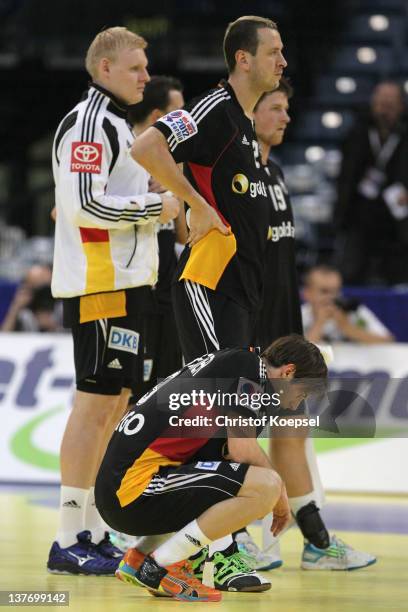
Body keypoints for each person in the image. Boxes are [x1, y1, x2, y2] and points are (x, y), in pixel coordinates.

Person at [47, 27, 180, 576]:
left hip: (127, 283)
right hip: (100, 283)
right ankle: (66, 535)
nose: (146, 77)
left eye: (146, 68)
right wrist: (157, 207)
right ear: (104, 69)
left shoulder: (117, 125)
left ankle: (94, 529)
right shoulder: (88, 123)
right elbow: (81, 204)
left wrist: (153, 203)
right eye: (135, 68)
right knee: (94, 404)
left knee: (116, 406)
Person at [233, 80, 377, 572]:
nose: (286, 117)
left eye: (287, 108)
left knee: (292, 432)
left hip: (284, 329)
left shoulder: (275, 171)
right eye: (275, 108)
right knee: (237, 436)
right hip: (247, 328)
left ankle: (317, 542)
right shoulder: (239, 173)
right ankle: (232, 539)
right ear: (249, 115)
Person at [95, 335, 328, 601]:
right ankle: (162, 565)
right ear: (288, 372)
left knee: (232, 478)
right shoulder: (250, 369)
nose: (297, 404)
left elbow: (227, 454)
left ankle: (139, 557)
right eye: (303, 393)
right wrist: (281, 496)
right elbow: (242, 450)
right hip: (132, 492)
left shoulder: (236, 364)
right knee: (266, 485)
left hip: (125, 492)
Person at [132, 15, 287, 362]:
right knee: (214, 405)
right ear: (243, 59)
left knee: (229, 410)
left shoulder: (244, 124)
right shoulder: (215, 108)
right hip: (210, 284)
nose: (283, 62)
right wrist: (196, 204)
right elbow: (146, 147)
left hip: (242, 292)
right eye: (273, 52)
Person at [128, 76, 187, 395]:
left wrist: (176, 191)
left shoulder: (171, 163)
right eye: (176, 112)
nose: (184, 119)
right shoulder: (122, 157)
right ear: (156, 117)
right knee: (126, 395)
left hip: (168, 294)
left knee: (164, 395)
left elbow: (183, 238)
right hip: (134, 292)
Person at [335, 80, 408, 285]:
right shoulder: (356, 134)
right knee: (352, 278)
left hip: (399, 226)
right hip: (360, 221)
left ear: (401, 106)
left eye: (391, 103)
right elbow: (344, 178)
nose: (385, 107)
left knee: (399, 284)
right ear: (373, 103)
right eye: (381, 101)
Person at [302, 265, 394, 344]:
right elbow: (297, 357)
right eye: (324, 291)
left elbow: (388, 341)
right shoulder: (300, 315)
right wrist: (319, 324)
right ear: (307, 293)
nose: (332, 297)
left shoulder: (354, 311)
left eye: (336, 291)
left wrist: (347, 327)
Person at [1, 264, 62, 332]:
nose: (42, 297)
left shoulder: (60, 305)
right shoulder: (24, 313)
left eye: (46, 289)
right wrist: (15, 308)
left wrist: (54, 326)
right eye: (37, 290)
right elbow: (4, 335)